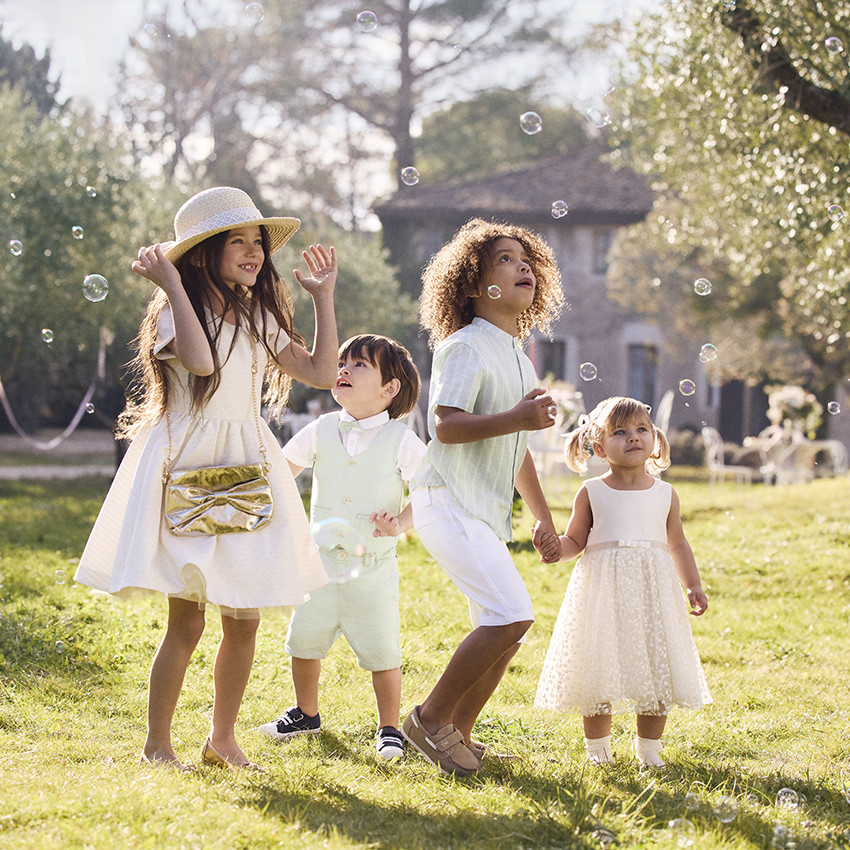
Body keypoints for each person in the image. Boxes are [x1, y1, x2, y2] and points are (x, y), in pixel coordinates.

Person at [75, 186, 339, 771]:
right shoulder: (175, 311)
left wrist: (322, 299)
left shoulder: (259, 313)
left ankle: (222, 739)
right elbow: (200, 363)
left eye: (257, 243)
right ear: (202, 253)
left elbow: (322, 373)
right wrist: (171, 283)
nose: (253, 252)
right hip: (189, 465)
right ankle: (158, 744)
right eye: (238, 242)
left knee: (243, 616)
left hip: (246, 463)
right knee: (188, 619)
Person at [401, 217, 565, 775]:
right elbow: (445, 426)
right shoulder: (466, 345)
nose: (522, 266)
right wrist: (518, 414)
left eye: (526, 259)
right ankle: (429, 718)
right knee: (510, 617)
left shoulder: (517, 354)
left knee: (505, 631)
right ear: (473, 284)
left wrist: (544, 521)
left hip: (481, 511)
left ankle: (457, 734)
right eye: (503, 259)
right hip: (445, 499)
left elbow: (516, 448)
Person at [258, 333, 426, 761]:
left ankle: (389, 727)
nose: (343, 370)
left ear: (389, 389)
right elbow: (283, 469)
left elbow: (431, 492)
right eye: (342, 363)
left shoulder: (401, 439)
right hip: (319, 564)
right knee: (304, 640)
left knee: (382, 648)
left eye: (358, 365)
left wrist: (401, 523)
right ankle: (305, 712)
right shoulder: (322, 428)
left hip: (371, 567)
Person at [534, 396, 712, 767]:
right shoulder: (593, 491)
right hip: (603, 592)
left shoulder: (665, 493)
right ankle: (598, 752)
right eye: (620, 432)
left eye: (641, 429)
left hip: (653, 589)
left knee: (655, 666)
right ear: (599, 446)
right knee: (598, 668)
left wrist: (693, 585)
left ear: (655, 440)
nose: (633, 437)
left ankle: (649, 750)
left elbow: (677, 542)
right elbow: (575, 542)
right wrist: (554, 550)